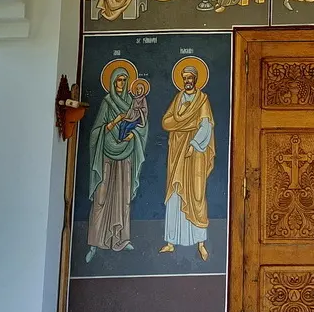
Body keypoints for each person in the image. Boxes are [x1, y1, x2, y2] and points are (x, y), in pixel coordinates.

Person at [85, 67, 148, 260]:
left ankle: (121, 239)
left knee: (123, 197)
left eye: (124, 80)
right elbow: (96, 132)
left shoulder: (132, 103)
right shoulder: (107, 102)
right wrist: (114, 122)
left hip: (126, 153)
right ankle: (95, 242)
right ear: (113, 82)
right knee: (101, 197)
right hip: (106, 153)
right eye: (118, 80)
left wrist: (132, 135)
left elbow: (142, 128)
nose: (121, 83)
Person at [160, 64, 216, 261]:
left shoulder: (202, 100)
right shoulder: (178, 98)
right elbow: (166, 122)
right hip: (177, 151)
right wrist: (187, 123)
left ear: (195, 79)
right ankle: (171, 241)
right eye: (184, 78)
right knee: (176, 192)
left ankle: (200, 243)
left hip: (195, 152)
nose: (187, 81)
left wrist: (193, 144)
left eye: (190, 78)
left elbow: (206, 126)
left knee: (196, 193)